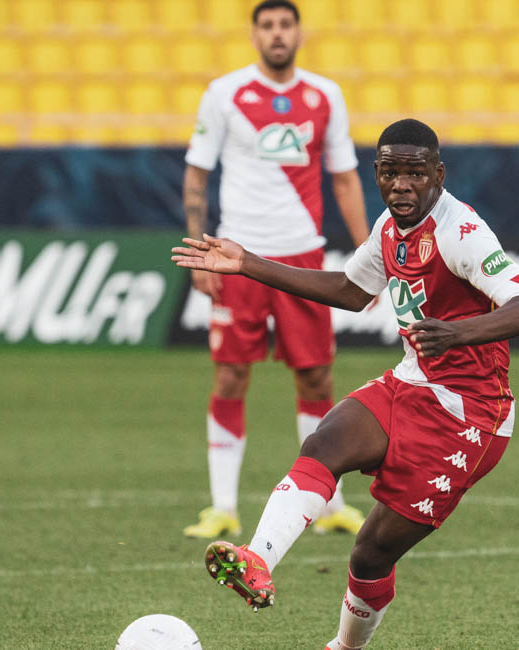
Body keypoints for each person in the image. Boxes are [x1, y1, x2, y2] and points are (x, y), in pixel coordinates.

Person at [171, 119, 519, 649]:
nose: (401, 185)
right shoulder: (389, 229)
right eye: (390, 172)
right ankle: (256, 559)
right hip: (411, 383)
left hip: (469, 414)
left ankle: (344, 647)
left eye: (415, 173)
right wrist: (249, 264)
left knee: (371, 554)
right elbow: (353, 291)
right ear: (376, 173)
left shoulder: (461, 232)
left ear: (439, 175)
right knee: (325, 442)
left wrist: (457, 333)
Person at [181, 0, 370, 539]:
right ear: (254, 35)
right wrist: (199, 251)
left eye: (285, 24)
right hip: (237, 256)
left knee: (316, 375)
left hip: (303, 257)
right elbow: (196, 176)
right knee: (230, 374)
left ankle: (328, 506)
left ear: (299, 33)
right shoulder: (224, 93)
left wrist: (368, 254)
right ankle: (222, 507)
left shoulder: (325, 95)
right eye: (267, 25)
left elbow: (345, 179)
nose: (277, 34)